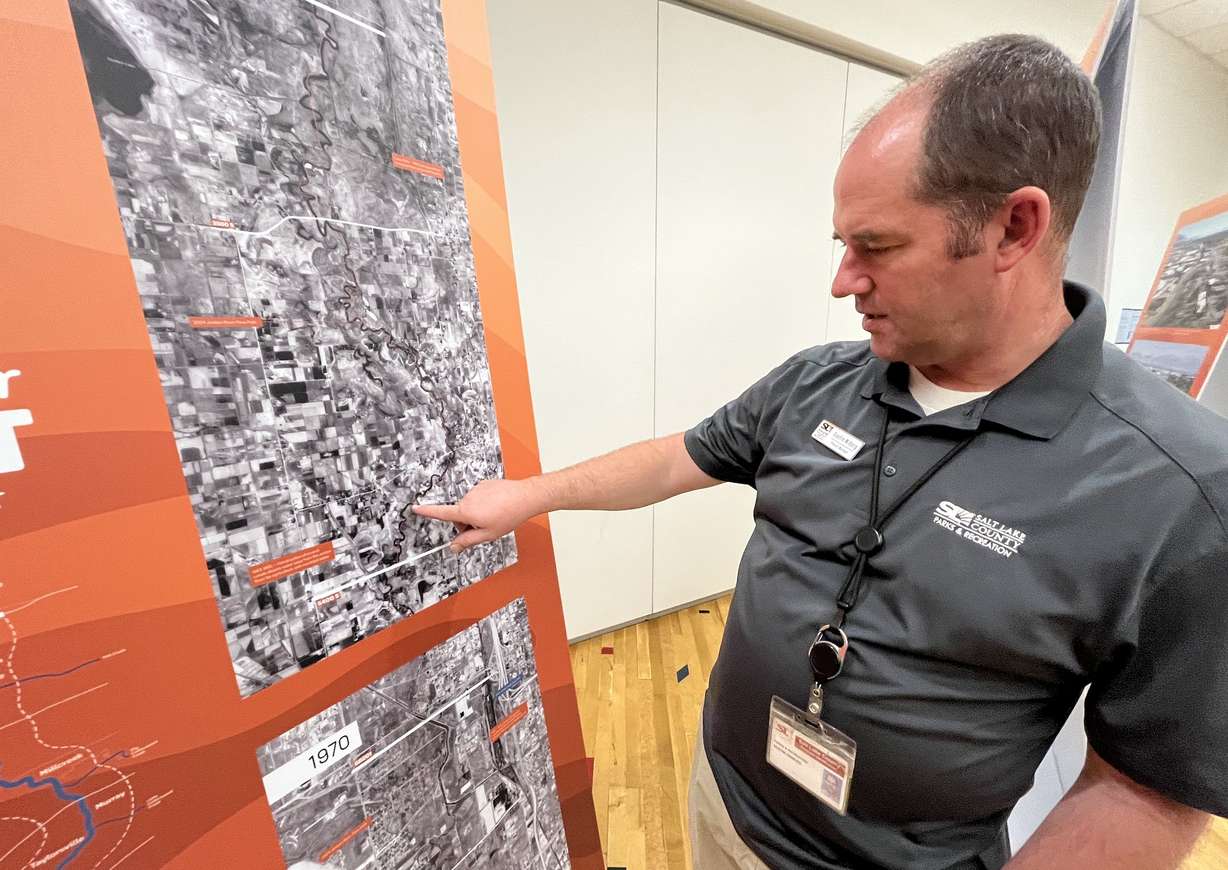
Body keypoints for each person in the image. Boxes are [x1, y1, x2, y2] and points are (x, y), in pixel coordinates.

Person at [415, 34, 1227, 869]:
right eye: (841, 244)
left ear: (1013, 228)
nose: (843, 281)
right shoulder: (817, 382)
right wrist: (531, 495)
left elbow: (1146, 790)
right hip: (724, 801)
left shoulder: (1179, 490)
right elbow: (676, 457)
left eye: (875, 246)